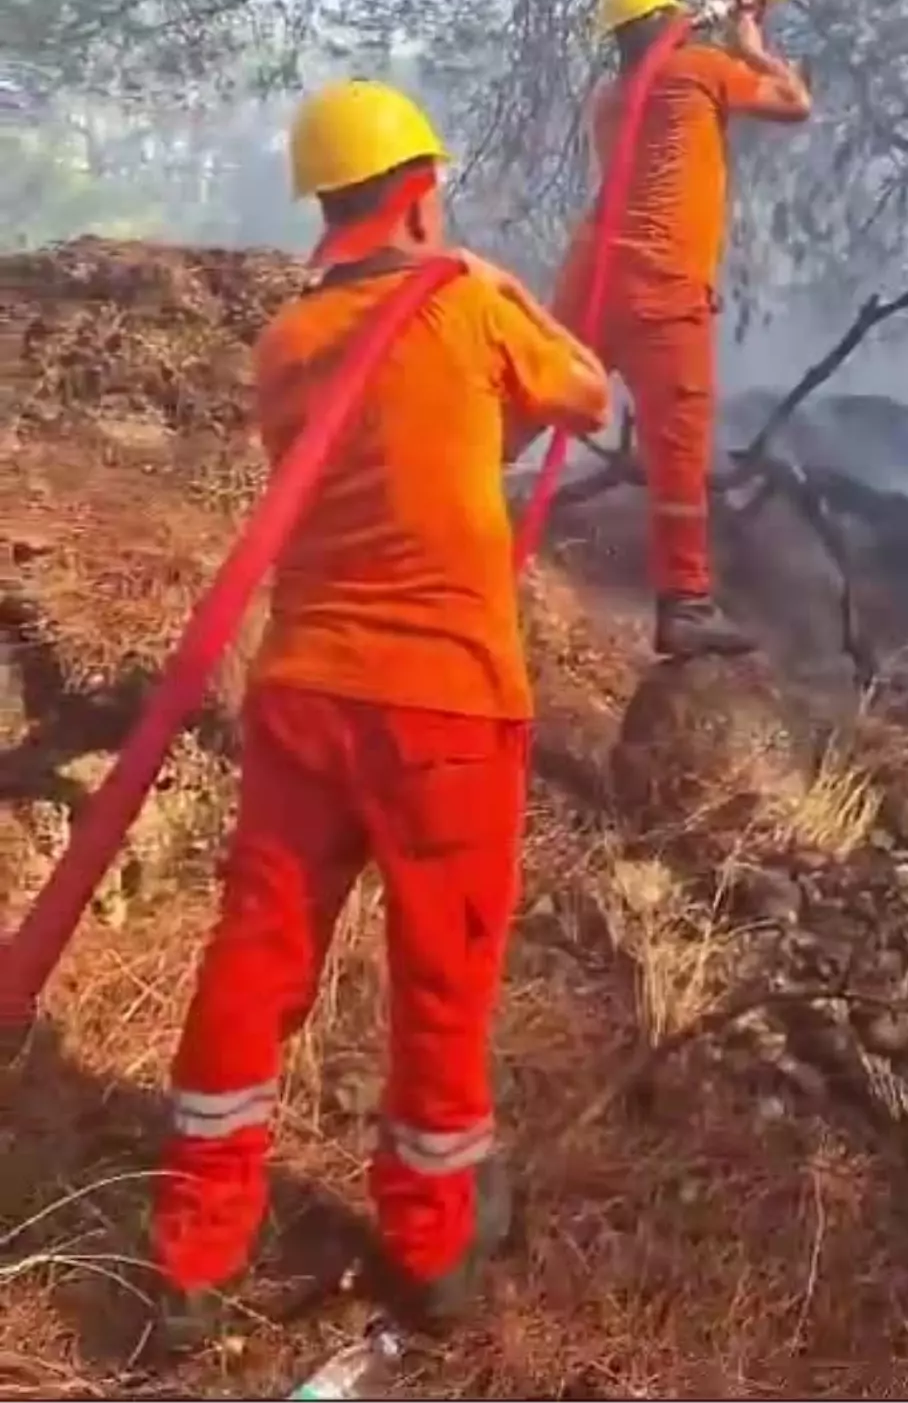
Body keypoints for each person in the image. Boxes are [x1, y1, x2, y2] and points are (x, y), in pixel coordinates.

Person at [150, 79, 610, 1354]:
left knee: (256, 958)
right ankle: (429, 1244)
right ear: (418, 192)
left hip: (303, 691)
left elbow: (388, 450)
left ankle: (192, 1251)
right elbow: (590, 397)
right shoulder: (466, 301)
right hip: (444, 708)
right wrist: (505, 289)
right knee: (441, 977)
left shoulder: (288, 344)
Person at [550, 0, 812, 660]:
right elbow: (795, 102)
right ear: (670, 22)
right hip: (664, 290)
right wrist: (751, 37)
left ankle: (425, 509)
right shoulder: (700, 68)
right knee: (678, 455)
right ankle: (685, 602)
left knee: (528, 407)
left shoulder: (611, 100)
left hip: (593, 281)